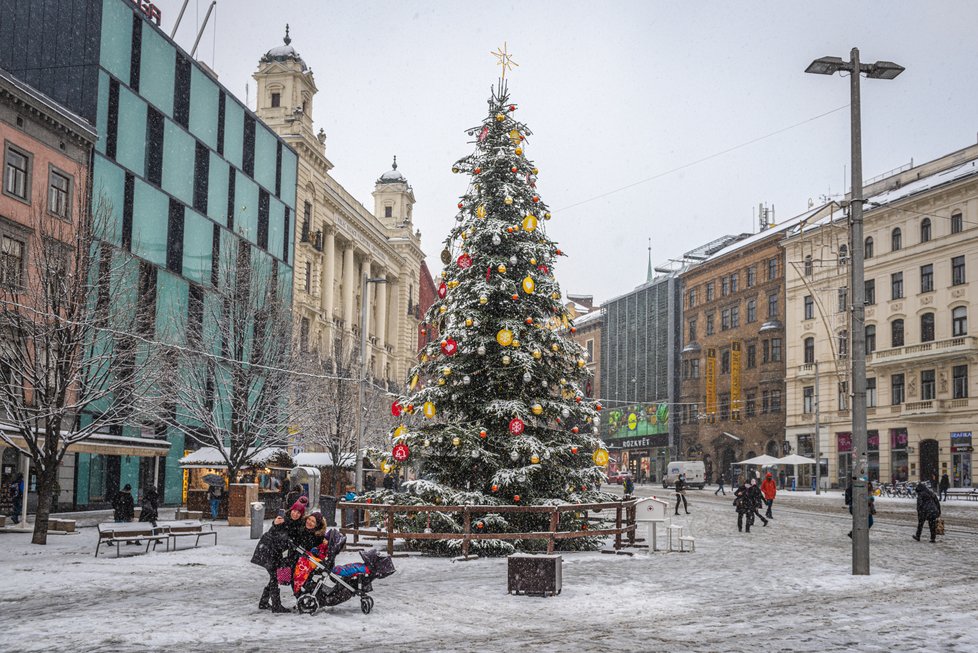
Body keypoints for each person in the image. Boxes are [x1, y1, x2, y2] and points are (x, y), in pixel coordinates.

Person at [251, 496, 308, 613]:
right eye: (294, 511)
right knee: (274, 578)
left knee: (275, 578)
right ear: (291, 510)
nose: (296, 514)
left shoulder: (298, 524)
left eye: (299, 513)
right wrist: (275, 524)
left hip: (279, 554)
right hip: (269, 551)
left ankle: (264, 602)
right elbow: (274, 534)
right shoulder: (283, 519)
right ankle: (276, 606)